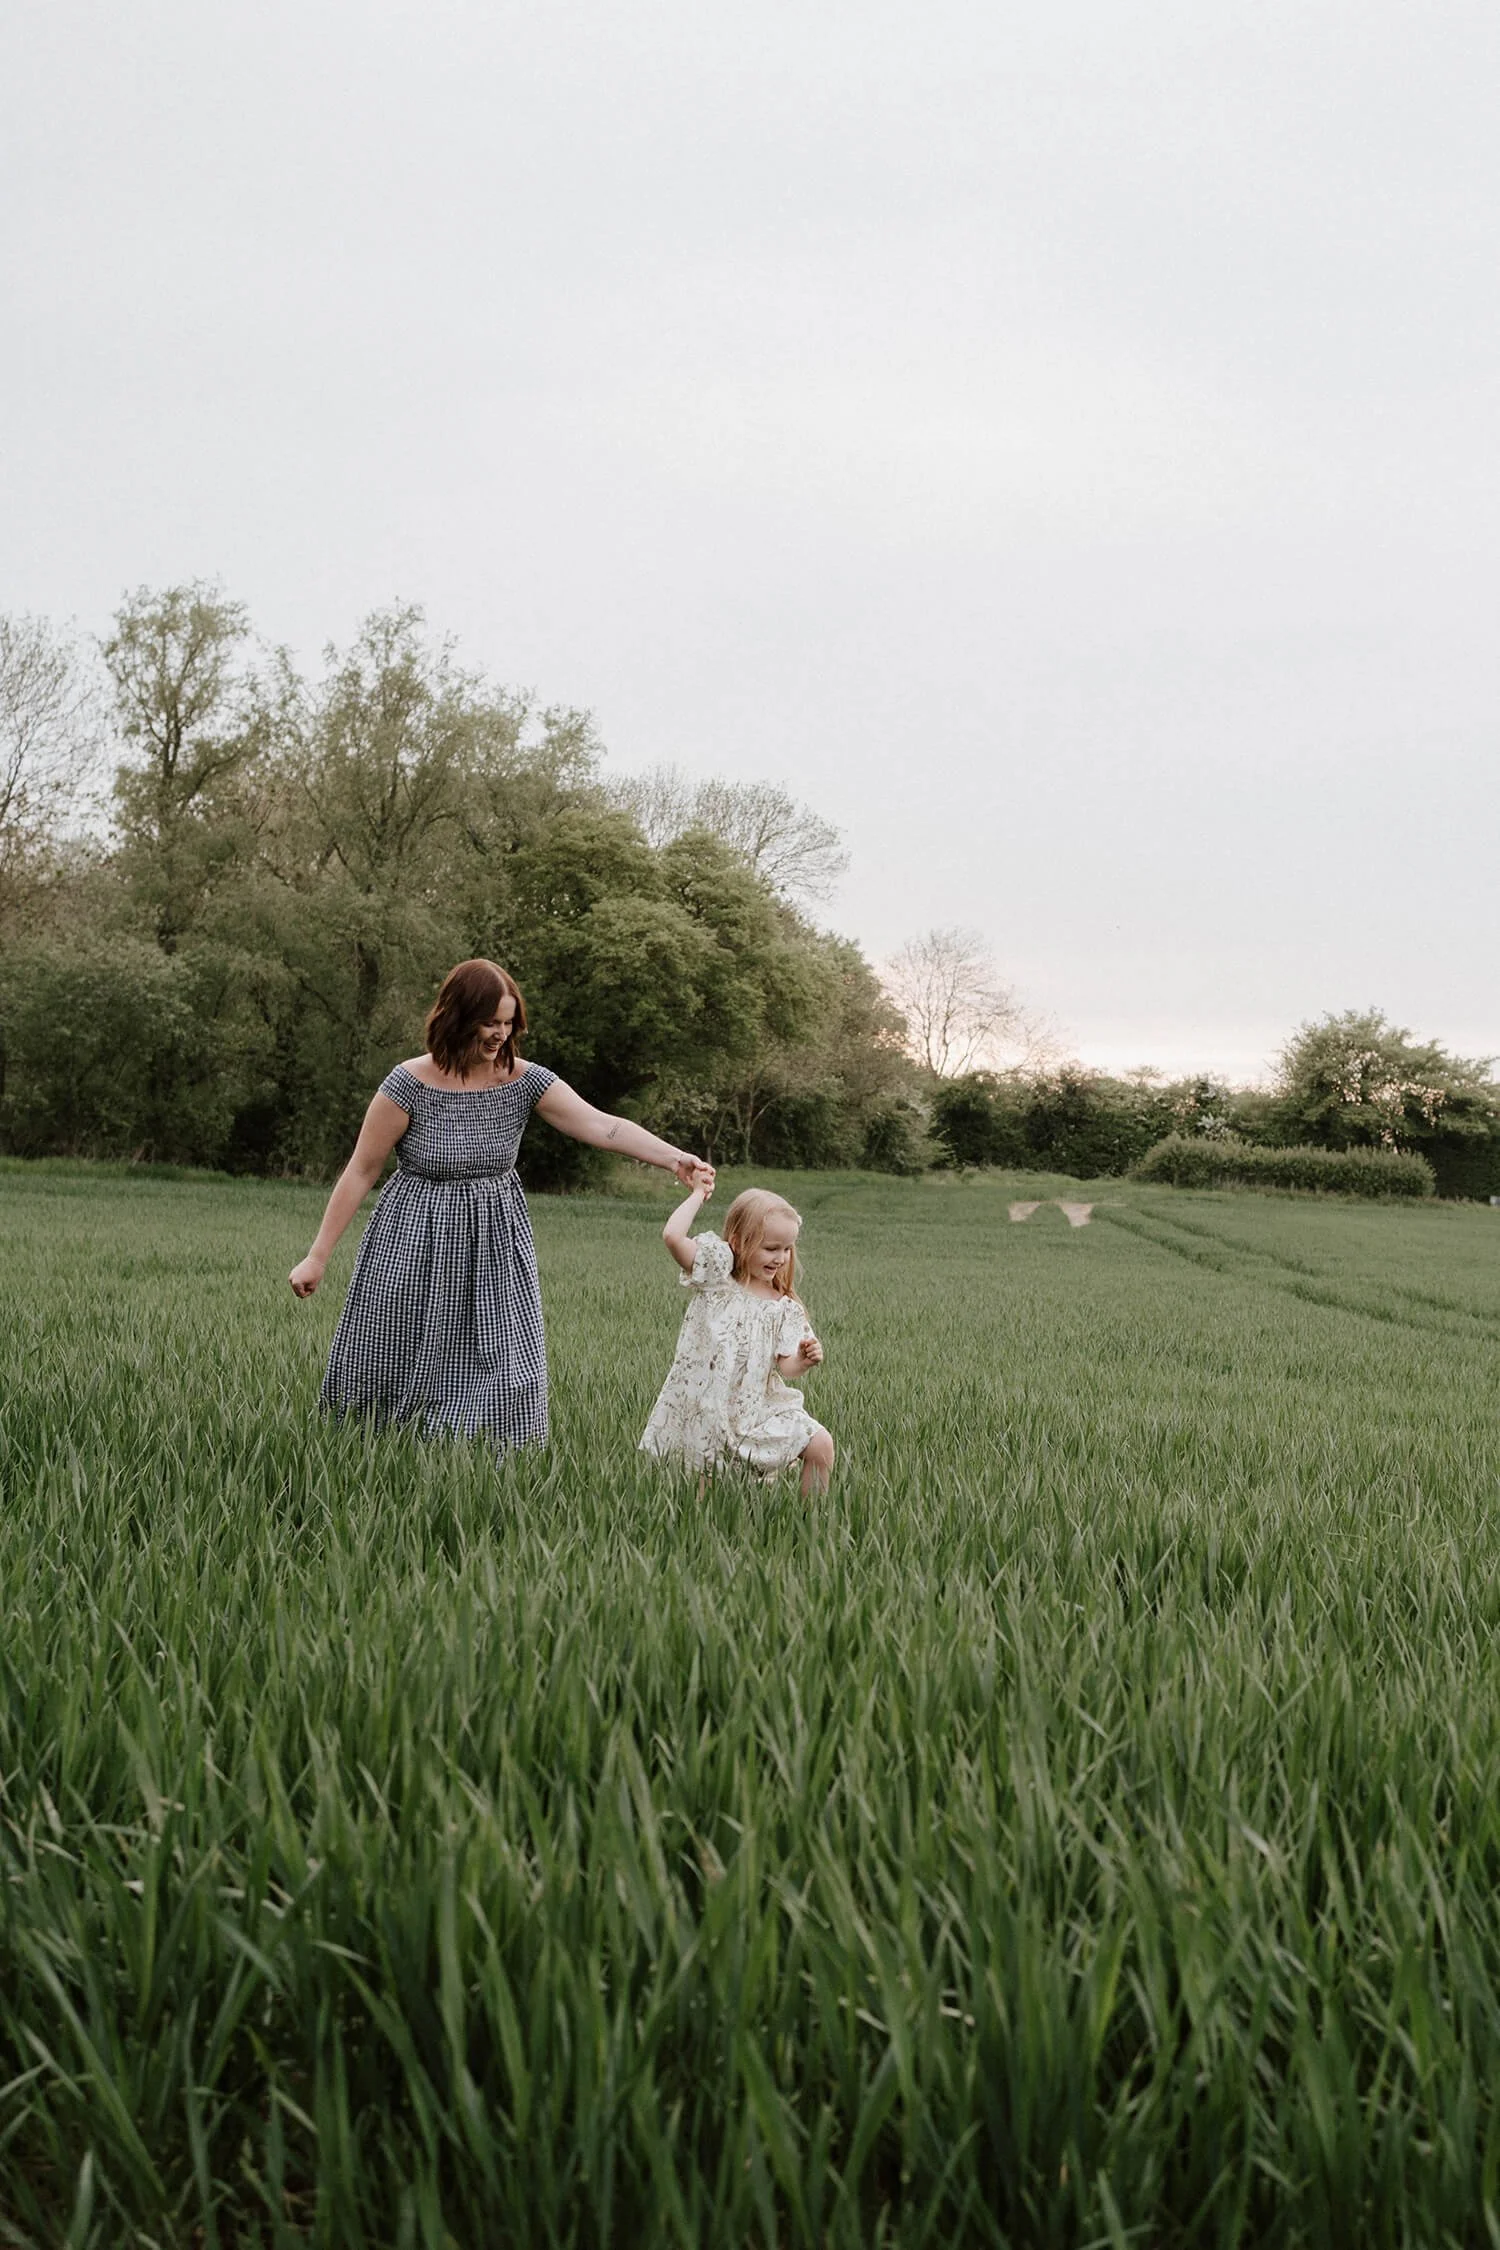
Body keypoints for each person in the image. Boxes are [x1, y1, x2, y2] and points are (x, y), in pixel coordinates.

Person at [288, 958, 714, 1447]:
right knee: (393, 1351)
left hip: (494, 1241)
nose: (500, 1034)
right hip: (411, 1238)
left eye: (509, 1023)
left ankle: (484, 1460)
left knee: (510, 1361)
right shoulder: (407, 1084)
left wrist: (673, 1158)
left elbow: (601, 1125)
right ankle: (374, 1449)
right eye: (490, 1022)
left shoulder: (524, 1080)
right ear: (456, 1016)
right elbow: (361, 1171)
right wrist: (317, 1256)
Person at [640, 1182, 835, 1495]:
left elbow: (787, 1368)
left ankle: (812, 1526)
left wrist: (804, 1358)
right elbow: (673, 1237)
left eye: (787, 1249)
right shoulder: (717, 1278)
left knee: (820, 1444)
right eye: (771, 1248)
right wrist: (697, 1195)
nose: (781, 1258)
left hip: (758, 1407)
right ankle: (697, 1538)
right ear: (738, 1242)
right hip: (709, 1406)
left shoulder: (783, 1307)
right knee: (705, 1488)